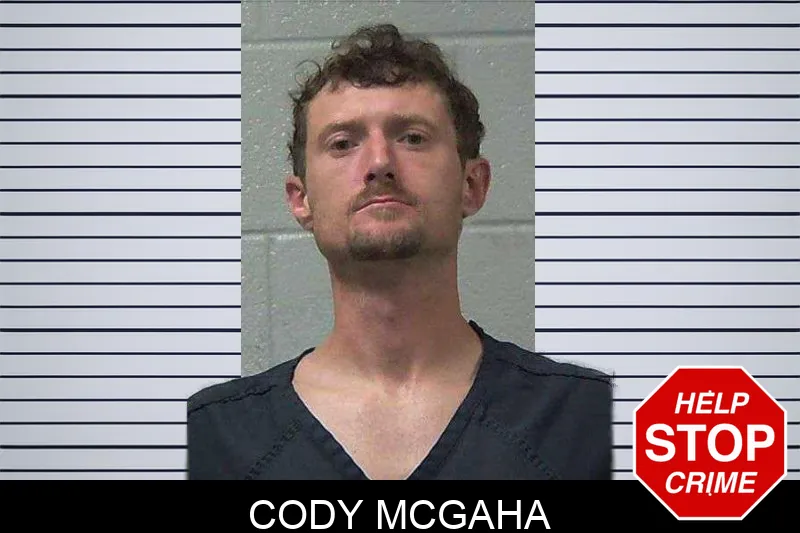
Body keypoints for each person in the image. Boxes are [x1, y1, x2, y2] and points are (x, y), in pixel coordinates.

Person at [187, 23, 612, 480]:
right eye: (343, 143)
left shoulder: (589, 421)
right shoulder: (210, 438)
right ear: (301, 199)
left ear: (472, 184)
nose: (379, 163)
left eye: (412, 137)